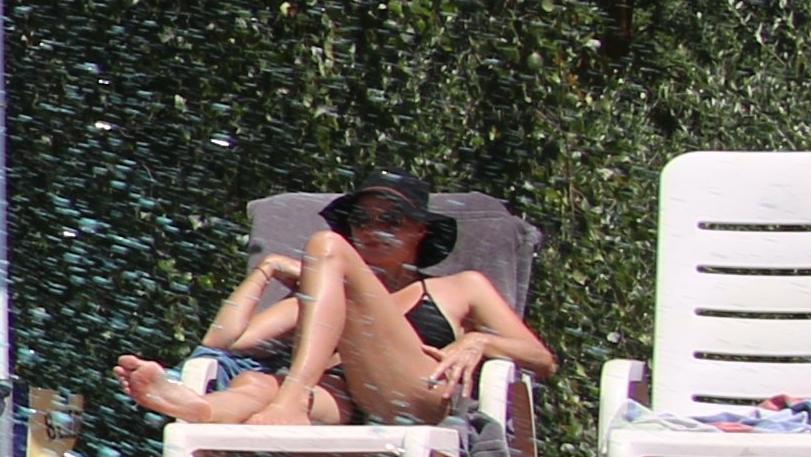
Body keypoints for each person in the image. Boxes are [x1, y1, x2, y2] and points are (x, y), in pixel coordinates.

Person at [116, 178, 553, 432]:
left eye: (391, 220)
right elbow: (225, 340)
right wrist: (265, 270)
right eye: (361, 220)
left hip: (414, 395)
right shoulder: (326, 293)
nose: (373, 230)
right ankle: (200, 410)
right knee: (255, 385)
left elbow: (542, 359)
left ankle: (291, 398)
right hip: (340, 399)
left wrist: (479, 341)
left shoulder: (461, 287)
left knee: (325, 246)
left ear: (420, 230)